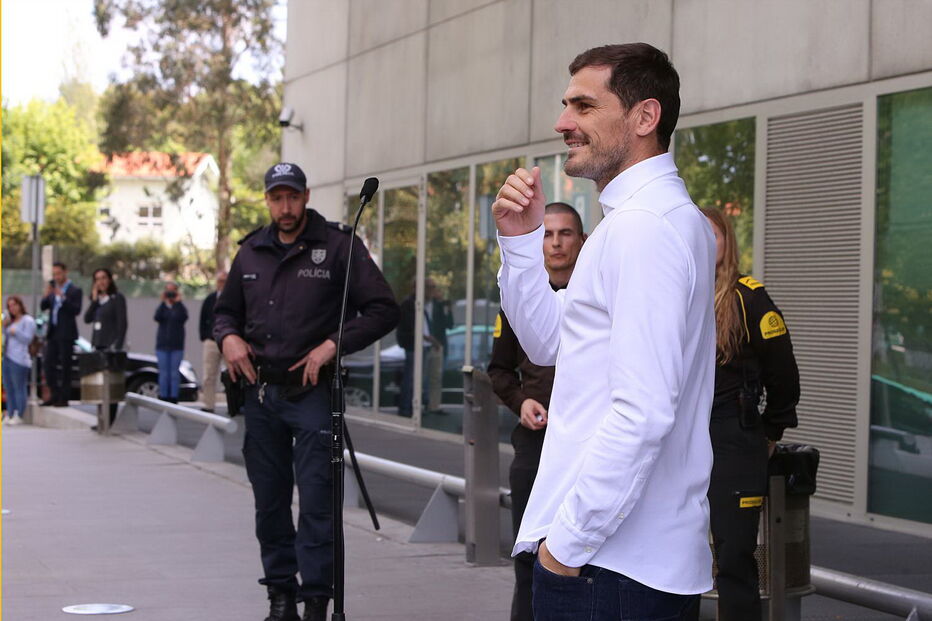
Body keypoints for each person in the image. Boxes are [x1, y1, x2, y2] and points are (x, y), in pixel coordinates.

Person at [491, 43, 716, 620]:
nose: (563, 122)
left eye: (585, 107)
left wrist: (565, 546)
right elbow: (551, 344)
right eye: (567, 105)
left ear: (645, 117)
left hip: (610, 568)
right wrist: (520, 243)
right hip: (615, 565)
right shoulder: (638, 221)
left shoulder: (644, 227)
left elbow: (643, 411)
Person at [213, 162, 399, 621]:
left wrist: (333, 345)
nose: (285, 207)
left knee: (317, 501)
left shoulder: (337, 246)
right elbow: (223, 314)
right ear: (267, 200)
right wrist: (228, 338)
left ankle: (317, 600)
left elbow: (382, 308)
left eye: (292, 197)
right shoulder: (250, 251)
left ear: (306, 195)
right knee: (270, 503)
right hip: (261, 395)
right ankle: (280, 596)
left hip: (313, 394)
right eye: (277, 198)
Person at [487, 202, 586, 621]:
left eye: (565, 233)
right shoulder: (521, 300)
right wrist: (521, 402)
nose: (556, 242)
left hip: (585, 445)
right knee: (530, 555)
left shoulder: (596, 295)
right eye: (547, 234)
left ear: (581, 241)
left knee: (583, 559)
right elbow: (498, 370)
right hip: (536, 443)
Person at [701, 207, 800, 620]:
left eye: (713, 235)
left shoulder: (749, 297)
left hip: (734, 442)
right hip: (680, 439)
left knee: (735, 559)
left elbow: (783, 373)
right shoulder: (671, 293)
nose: (705, 244)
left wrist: (772, 428)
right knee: (678, 559)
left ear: (728, 242)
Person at [39, 262, 83, 407]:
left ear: (65, 272)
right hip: (53, 332)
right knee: (48, 363)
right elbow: (43, 306)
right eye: (54, 274)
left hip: (66, 333)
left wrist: (63, 297)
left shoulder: (74, 290)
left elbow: (76, 310)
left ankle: (64, 397)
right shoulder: (53, 290)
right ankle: (54, 394)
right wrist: (47, 294)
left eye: (58, 273)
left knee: (65, 366)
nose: (56, 277)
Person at [3, 296, 37, 425]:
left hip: (20, 359)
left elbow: (28, 339)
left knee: (19, 387)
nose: (12, 308)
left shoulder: (27, 320)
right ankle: (10, 413)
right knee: (8, 388)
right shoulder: (10, 321)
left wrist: (15, 331)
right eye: (10, 306)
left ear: (20, 305)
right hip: (7, 357)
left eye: (14, 305)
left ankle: (19, 414)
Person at [154, 281, 188, 403]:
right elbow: (157, 317)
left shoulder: (180, 308)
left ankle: (174, 397)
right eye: (168, 291)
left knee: (174, 373)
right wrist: (163, 302)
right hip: (162, 345)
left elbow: (183, 318)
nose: (170, 294)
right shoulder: (163, 307)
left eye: (172, 291)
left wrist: (178, 303)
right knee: (163, 373)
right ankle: (163, 396)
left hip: (176, 346)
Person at [199, 271, 227, 412]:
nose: (221, 284)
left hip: (229, 341)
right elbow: (203, 318)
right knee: (209, 375)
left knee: (233, 374)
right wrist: (204, 336)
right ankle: (208, 404)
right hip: (211, 340)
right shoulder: (210, 299)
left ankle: (235, 403)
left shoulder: (234, 298)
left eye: (224, 281)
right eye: (220, 281)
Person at [84, 268, 128, 351]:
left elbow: (122, 324)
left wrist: (118, 345)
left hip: (111, 345)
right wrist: (94, 301)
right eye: (97, 279)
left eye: (103, 278)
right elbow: (87, 319)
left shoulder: (117, 298)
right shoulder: (97, 301)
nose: (101, 282)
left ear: (109, 280)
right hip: (97, 344)